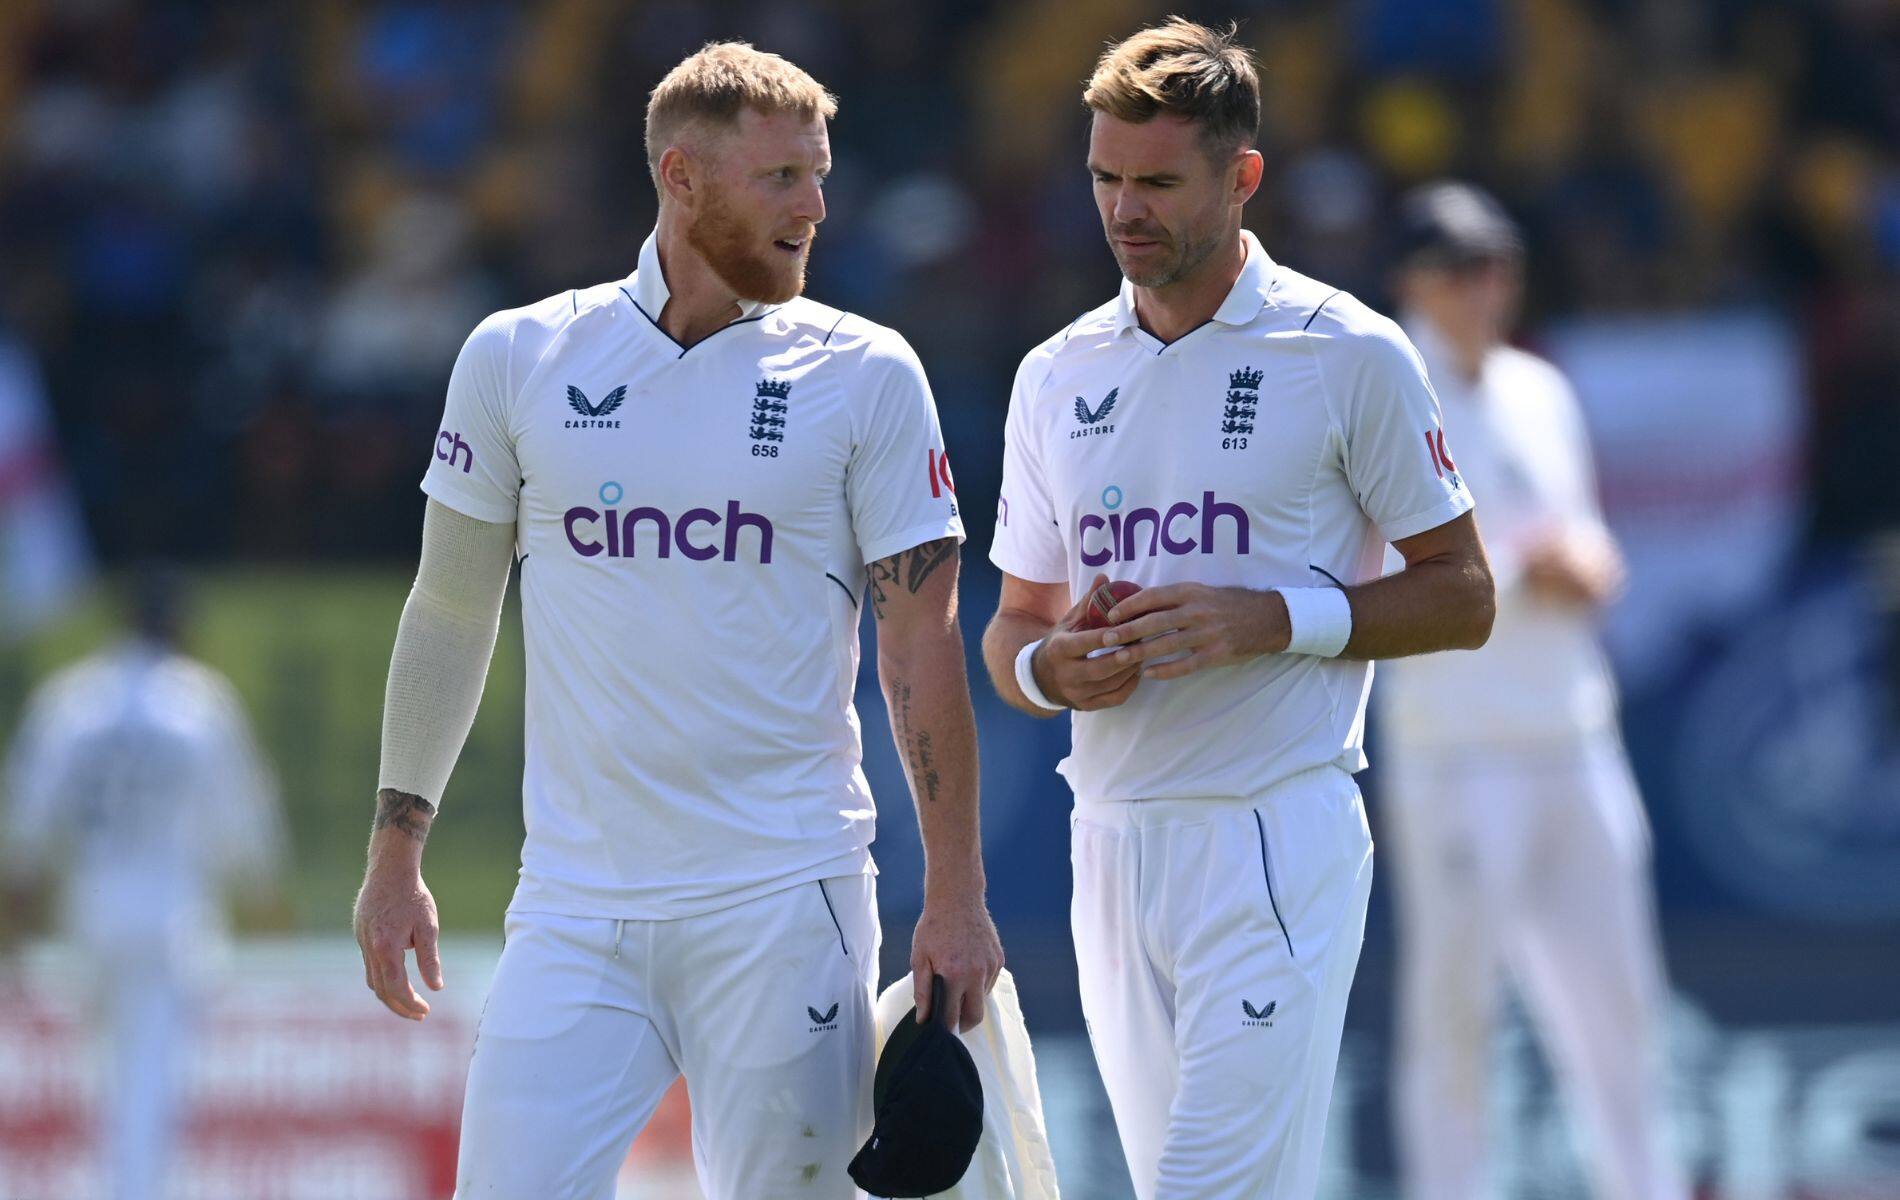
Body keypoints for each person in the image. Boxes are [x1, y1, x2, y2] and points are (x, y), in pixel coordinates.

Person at [348, 41, 1003, 1199]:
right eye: (782, 178)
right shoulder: (519, 355)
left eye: (820, 174)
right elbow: (451, 605)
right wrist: (397, 850)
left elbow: (920, 639)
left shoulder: (869, 373)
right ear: (681, 176)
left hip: (783, 898)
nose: (814, 207)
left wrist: (955, 897)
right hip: (572, 906)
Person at [980, 19, 1495, 1200]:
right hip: (1107, 836)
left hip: (1270, 830)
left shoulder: (1345, 349)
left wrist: (1275, 619)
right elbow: (1011, 630)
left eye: (1157, 181)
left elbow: (1462, 595)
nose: (1124, 210)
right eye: (1106, 179)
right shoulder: (1056, 371)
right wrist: (1056, 672)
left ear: (1241, 177)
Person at [1374, 181, 1688, 1200]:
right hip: (1456, 750)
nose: (1482, 287)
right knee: (1455, 1019)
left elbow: (1578, 526)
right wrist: (1524, 572)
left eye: (1495, 264)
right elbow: (1372, 579)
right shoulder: (1385, 393)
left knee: (1622, 1015)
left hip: (1571, 736)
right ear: (1412, 281)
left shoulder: (1538, 390)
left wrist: (1588, 560)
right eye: (1458, 267)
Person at [3, 567, 283, 1200]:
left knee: (107, 1083)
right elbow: (246, 823)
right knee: (152, 1089)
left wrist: (17, 912)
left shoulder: (71, 701)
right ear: (178, 626)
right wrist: (264, 894)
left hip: (93, 914)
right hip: (171, 920)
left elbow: (28, 823)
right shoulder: (199, 702)